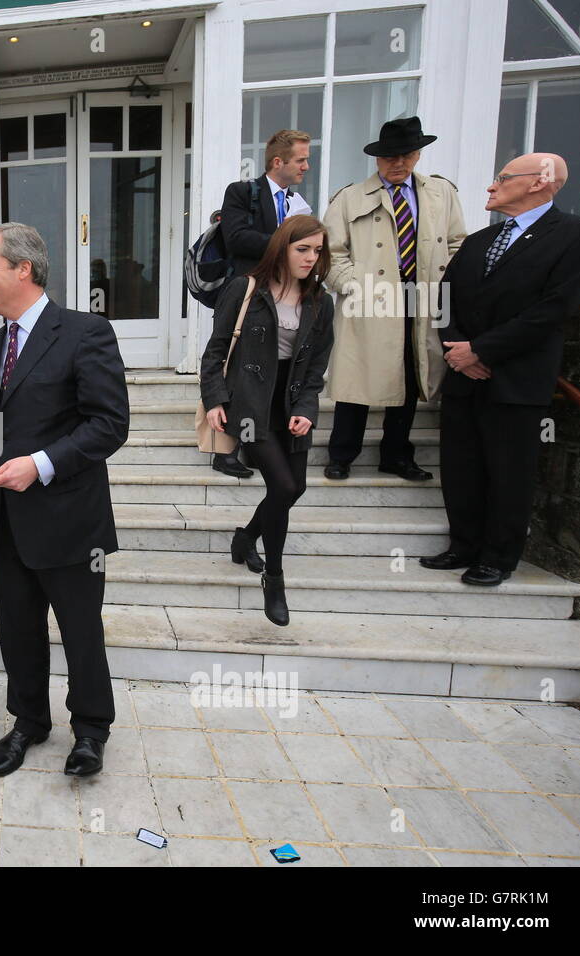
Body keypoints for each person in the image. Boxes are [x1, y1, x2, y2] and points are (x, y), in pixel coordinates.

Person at [0, 222, 129, 777]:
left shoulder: (86, 332)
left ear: (24, 269)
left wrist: (39, 466)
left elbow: (110, 425)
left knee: (82, 633)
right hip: (9, 524)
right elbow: (1, 433)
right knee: (18, 632)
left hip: (70, 522)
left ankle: (90, 731)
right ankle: (28, 722)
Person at [422, 152, 580, 587]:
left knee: (509, 470)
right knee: (461, 467)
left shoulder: (579, 234)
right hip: (464, 377)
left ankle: (497, 557)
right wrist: (456, 350)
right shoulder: (481, 240)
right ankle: (463, 545)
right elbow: (445, 300)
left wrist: (482, 351)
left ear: (539, 181)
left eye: (502, 177)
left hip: (517, 378)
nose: (491, 186)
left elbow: (554, 309)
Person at [199, 215, 335, 626]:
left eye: (317, 250)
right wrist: (216, 400)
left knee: (296, 488)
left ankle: (245, 536)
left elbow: (316, 367)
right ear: (282, 248)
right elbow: (215, 350)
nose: (311, 258)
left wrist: (307, 410)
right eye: (302, 249)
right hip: (249, 404)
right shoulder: (245, 289)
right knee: (283, 484)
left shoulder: (319, 300)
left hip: (290, 404)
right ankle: (274, 580)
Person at [322, 116, 467, 482]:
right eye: (389, 157)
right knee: (356, 378)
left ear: (418, 154)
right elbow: (330, 254)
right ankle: (342, 454)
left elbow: (457, 243)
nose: (398, 163)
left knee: (410, 376)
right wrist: (356, 284)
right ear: (377, 159)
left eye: (406, 154)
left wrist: (444, 279)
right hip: (368, 299)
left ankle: (397, 455)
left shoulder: (442, 193)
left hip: (423, 297)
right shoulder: (349, 197)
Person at [213, 129, 314, 479]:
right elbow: (236, 238)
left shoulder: (297, 202)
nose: (306, 165)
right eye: (300, 159)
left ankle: (255, 442)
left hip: (282, 296)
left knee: (265, 370)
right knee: (237, 367)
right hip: (246, 294)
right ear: (278, 161)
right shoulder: (242, 192)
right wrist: (286, 242)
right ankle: (225, 450)